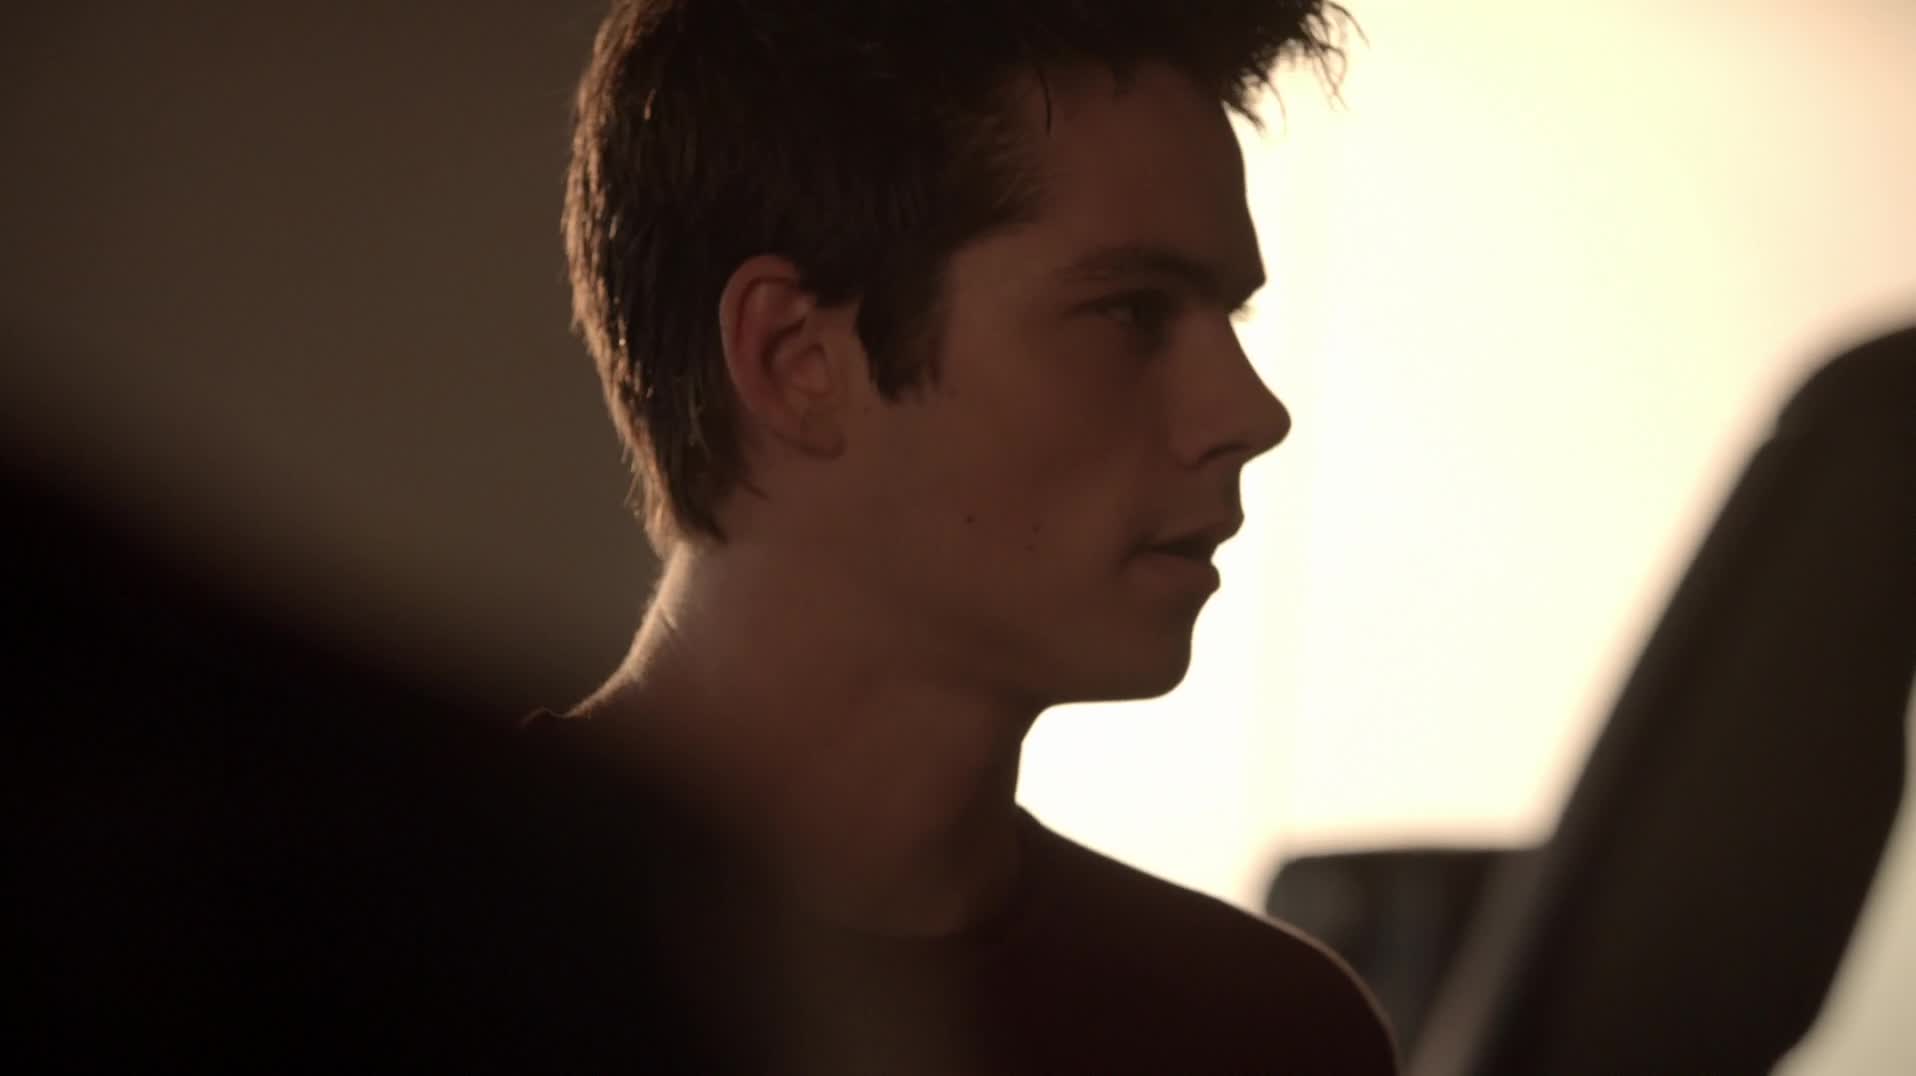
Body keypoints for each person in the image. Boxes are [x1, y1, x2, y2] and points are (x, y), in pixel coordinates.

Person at [543, 0, 1399, 1071]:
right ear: (795, 359)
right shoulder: (382, 952)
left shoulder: (1266, 1035)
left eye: (1227, 319)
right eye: (1133, 312)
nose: (1252, 413)